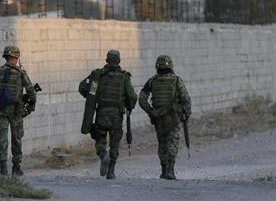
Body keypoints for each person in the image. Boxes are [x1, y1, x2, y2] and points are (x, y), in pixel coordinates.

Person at [78, 49, 137, 180]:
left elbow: (84, 88)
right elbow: (132, 96)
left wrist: (91, 97)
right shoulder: (124, 76)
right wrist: (129, 107)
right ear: (119, 61)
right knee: (115, 143)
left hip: (102, 114)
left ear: (106, 60)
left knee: (100, 140)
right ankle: (111, 172)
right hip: (117, 116)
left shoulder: (98, 76)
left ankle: (103, 154)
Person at [0, 45, 37, 176]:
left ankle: (3, 168)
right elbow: (31, 91)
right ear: (16, 58)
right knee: (16, 138)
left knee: (2, 139)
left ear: (6, 57)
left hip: (0, 111)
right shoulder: (20, 73)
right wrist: (31, 107)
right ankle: (16, 167)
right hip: (16, 112)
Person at [138, 54, 191, 180]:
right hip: (173, 117)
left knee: (162, 143)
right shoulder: (177, 80)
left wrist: (151, 112)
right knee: (172, 142)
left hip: (158, 118)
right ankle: (170, 171)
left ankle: (163, 170)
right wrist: (186, 113)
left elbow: (141, 99)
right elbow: (185, 98)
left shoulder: (151, 81)